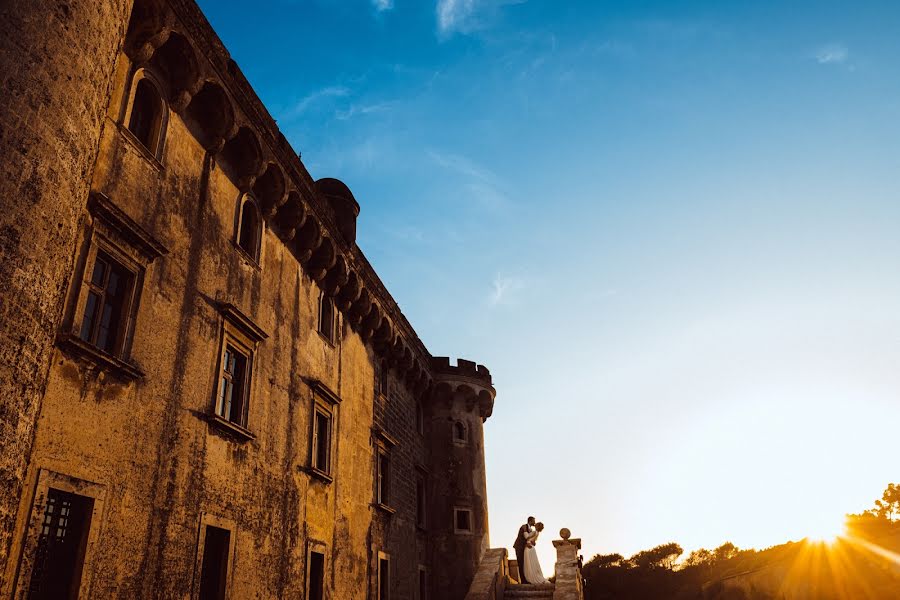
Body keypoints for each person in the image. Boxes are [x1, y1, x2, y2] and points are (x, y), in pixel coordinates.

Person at [513, 516, 535, 583]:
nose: (535, 522)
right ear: (530, 521)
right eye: (534, 521)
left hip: (525, 548)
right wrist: (527, 542)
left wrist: (532, 542)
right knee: (521, 563)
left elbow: (529, 539)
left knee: (525, 563)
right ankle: (523, 581)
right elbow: (524, 537)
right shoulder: (524, 526)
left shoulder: (530, 529)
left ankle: (527, 579)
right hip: (519, 546)